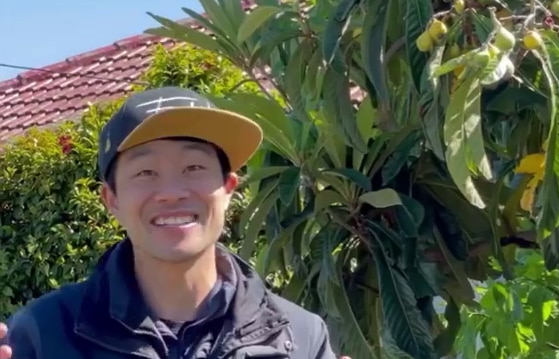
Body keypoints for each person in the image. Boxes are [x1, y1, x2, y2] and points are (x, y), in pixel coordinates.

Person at [0, 87, 347, 358]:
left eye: (193, 168)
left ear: (228, 189)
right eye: (145, 172)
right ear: (112, 200)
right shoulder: (44, 333)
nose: (171, 192)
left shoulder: (298, 337)